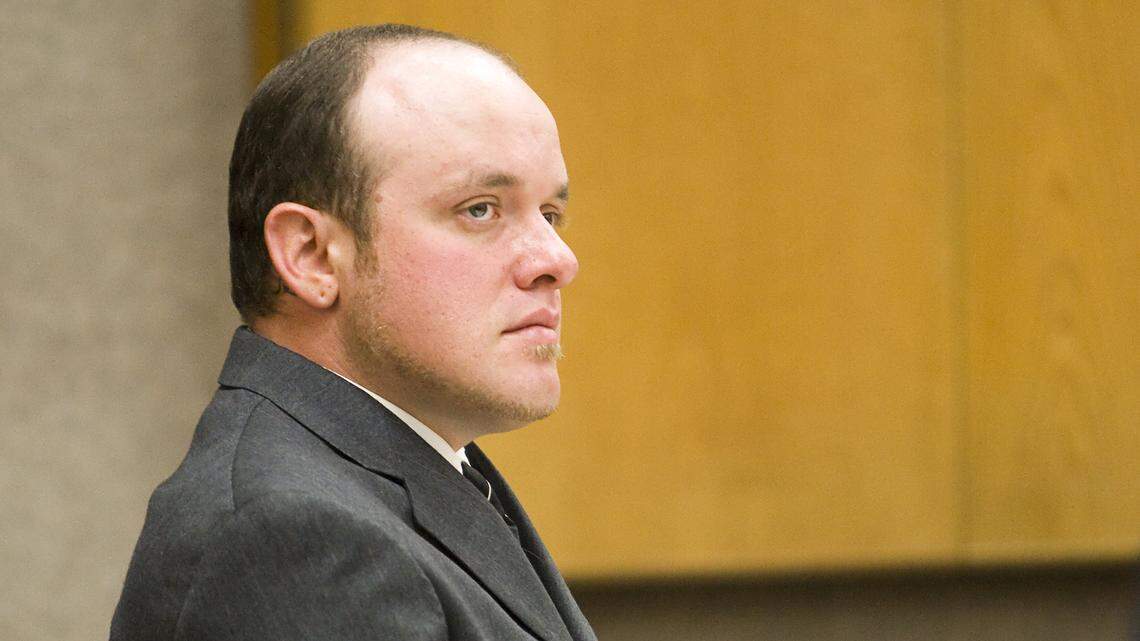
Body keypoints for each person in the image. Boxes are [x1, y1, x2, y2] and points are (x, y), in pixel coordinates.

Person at [110, 24, 596, 641]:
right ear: (311, 256)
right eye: (480, 209)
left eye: (550, 214)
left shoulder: (400, 473)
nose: (557, 259)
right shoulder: (293, 537)